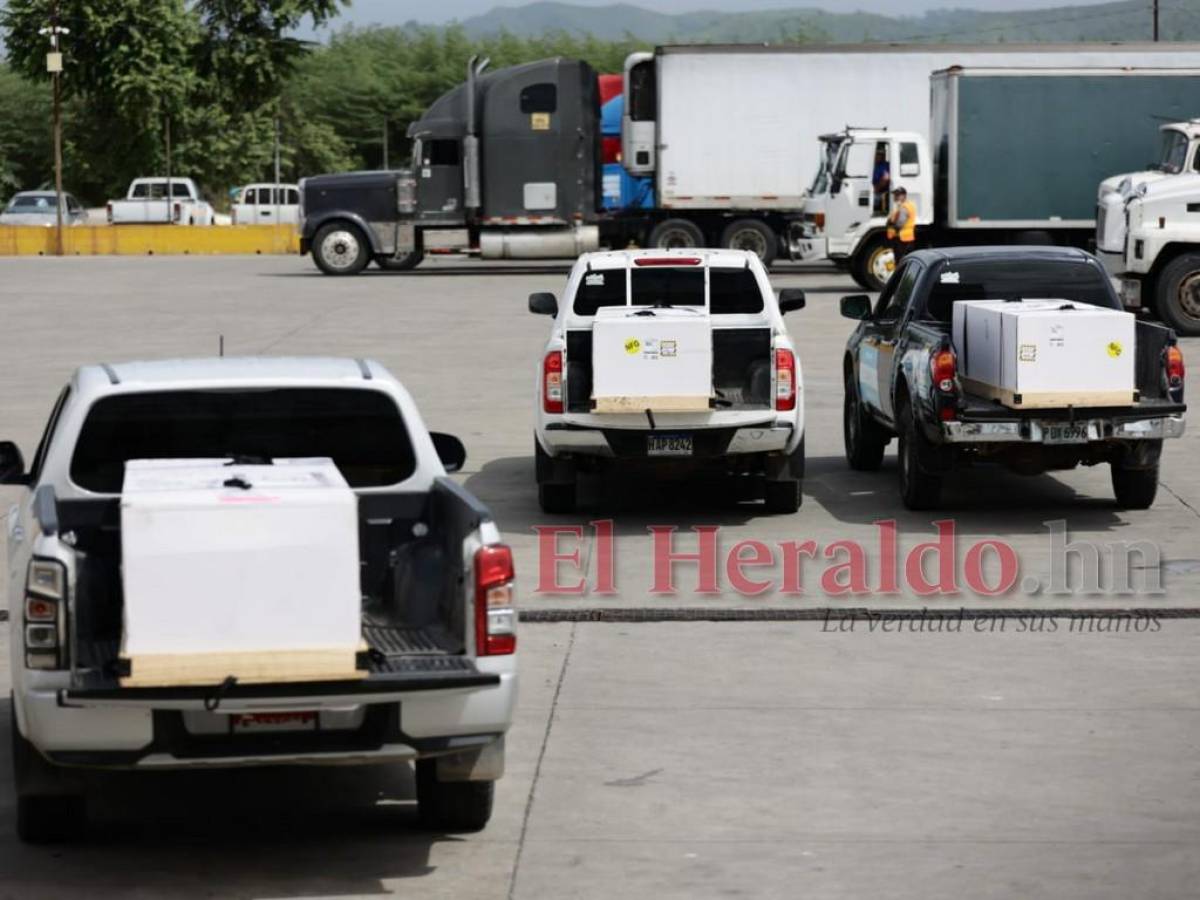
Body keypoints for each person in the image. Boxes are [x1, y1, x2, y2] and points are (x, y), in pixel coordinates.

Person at [886, 186, 917, 261]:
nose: (895, 197)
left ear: (904, 196)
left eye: (898, 195)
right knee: (905, 261)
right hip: (905, 238)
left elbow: (899, 223)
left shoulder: (904, 207)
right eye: (895, 195)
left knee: (900, 262)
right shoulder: (905, 205)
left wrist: (890, 223)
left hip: (902, 239)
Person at [872, 148, 891, 212]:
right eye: (878, 154)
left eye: (881, 154)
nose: (879, 156)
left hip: (880, 192)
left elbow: (885, 179)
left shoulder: (885, 165)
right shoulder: (871, 165)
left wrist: (875, 189)